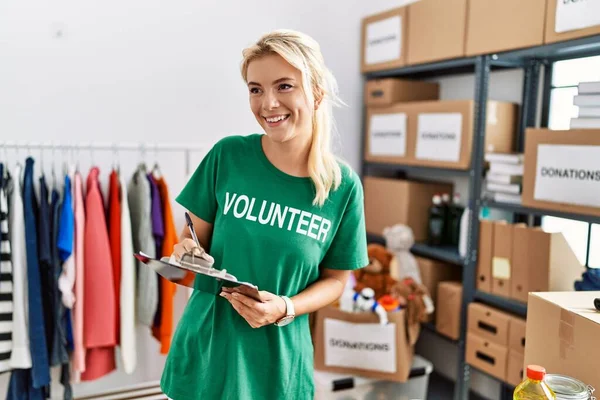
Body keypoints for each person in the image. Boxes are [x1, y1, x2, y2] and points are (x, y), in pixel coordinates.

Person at [160, 29, 369, 400]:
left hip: (278, 364)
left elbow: (336, 280)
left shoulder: (343, 187)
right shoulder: (227, 157)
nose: (268, 103)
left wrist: (286, 307)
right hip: (208, 352)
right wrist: (186, 252)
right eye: (255, 89)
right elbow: (192, 241)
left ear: (316, 92)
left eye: (284, 86)